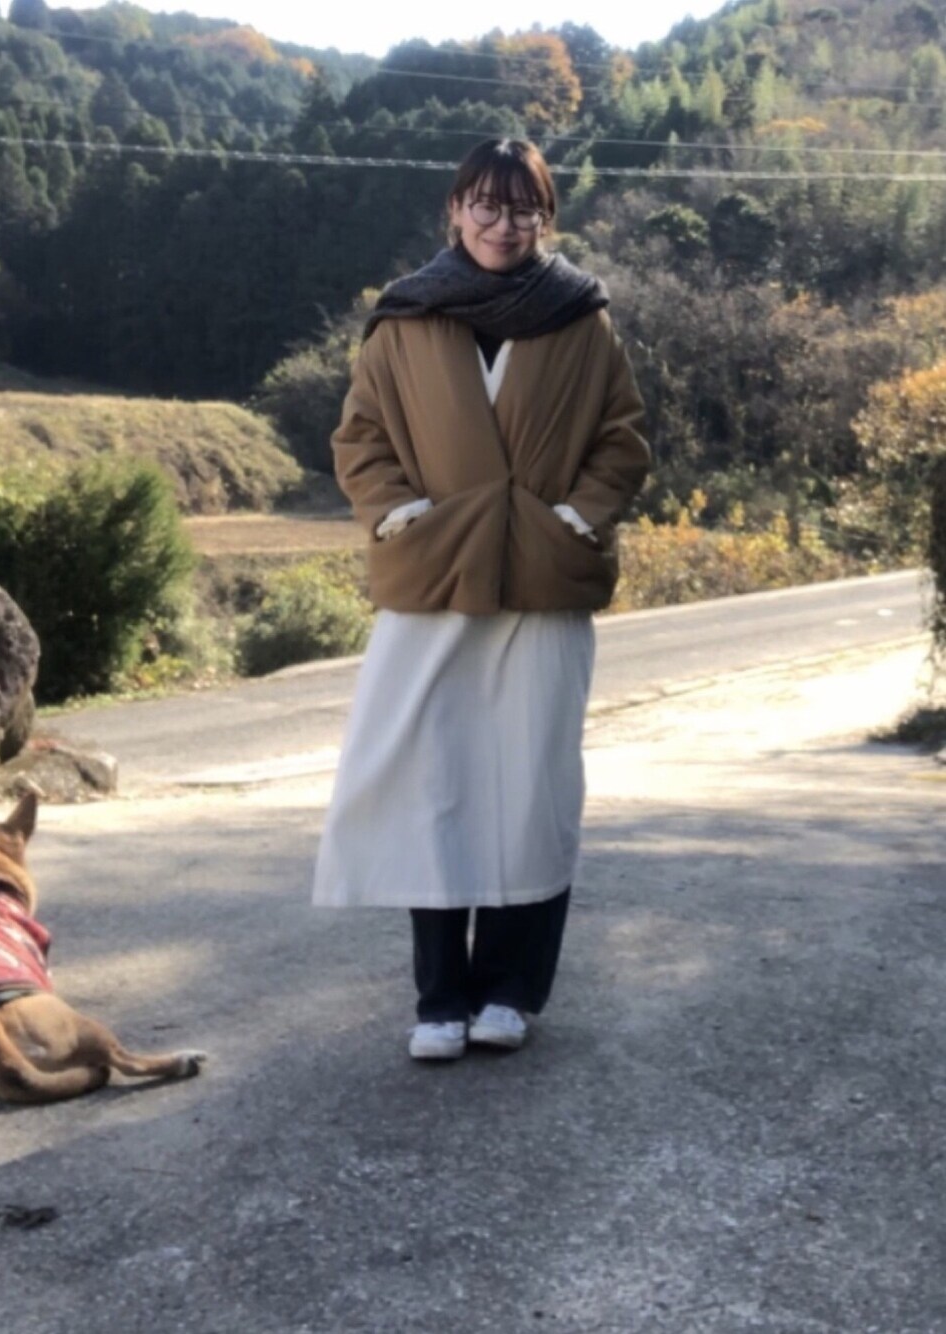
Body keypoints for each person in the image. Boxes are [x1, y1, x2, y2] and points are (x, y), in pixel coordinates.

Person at [312, 138, 650, 1061]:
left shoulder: (582, 318)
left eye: (524, 208)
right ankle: (439, 997)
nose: (505, 225)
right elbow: (360, 440)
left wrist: (574, 519)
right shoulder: (406, 317)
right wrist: (402, 515)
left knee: (532, 790)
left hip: (544, 581)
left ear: (548, 216)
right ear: (456, 210)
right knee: (435, 786)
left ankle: (511, 989)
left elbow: (622, 439)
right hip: (435, 579)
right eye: (487, 206)